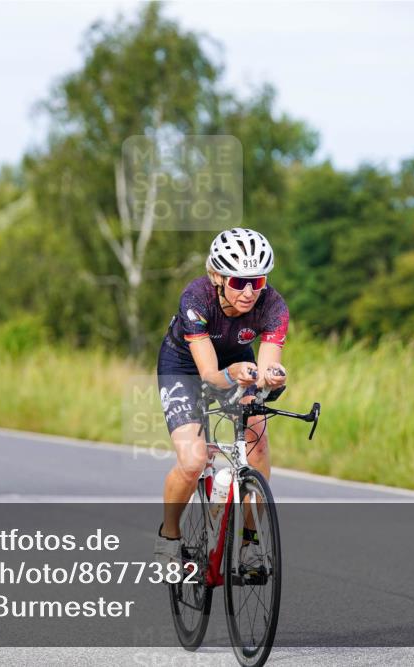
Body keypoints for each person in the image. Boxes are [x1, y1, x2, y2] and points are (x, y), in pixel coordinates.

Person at [154, 228, 288, 565]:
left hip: (238, 360)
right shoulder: (196, 298)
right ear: (217, 276)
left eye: (257, 282)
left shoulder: (273, 306)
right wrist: (233, 374)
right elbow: (210, 376)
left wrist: (272, 377)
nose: (248, 292)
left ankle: (250, 542)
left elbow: (267, 367)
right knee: (193, 461)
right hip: (186, 366)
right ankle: (169, 536)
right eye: (238, 282)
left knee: (258, 443)